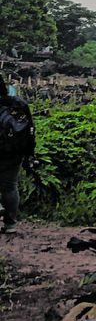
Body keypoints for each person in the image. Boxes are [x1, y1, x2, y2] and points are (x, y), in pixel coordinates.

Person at [0, 74, 36, 235]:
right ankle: (10, 225)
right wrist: (29, 153)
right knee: (10, 185)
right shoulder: (19, 103)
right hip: (15, 152)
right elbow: (30, 130)